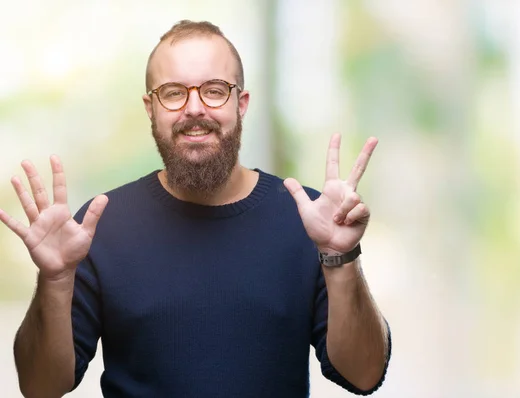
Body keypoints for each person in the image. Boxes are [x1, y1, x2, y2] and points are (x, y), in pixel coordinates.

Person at [0, 20, 391, 398]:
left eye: (215, 90)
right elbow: (40, 388)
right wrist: (54, 280)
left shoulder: (308, 219)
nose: (194, 108)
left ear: (242, 103)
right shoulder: (100, 225)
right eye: (173, 92)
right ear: (150, 108)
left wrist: (341, 258)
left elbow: (363, 375)